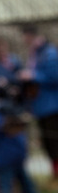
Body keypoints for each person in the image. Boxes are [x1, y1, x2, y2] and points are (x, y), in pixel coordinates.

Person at [21, 25, 58, 183]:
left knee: (55, 141)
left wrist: (33, 76)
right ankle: (55, 174)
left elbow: (55, 76)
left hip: (52, 106)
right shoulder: (34, 54)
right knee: (48, 143)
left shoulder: (49, 53)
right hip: (41, 106)